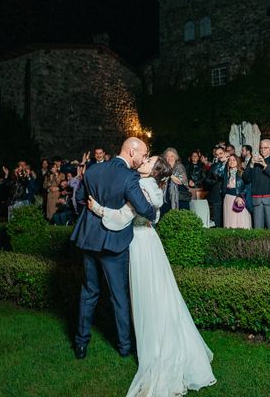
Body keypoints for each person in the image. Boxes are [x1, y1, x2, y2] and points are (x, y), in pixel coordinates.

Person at [87, 156, 216, 396]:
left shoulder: (143, 187)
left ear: (154, 171)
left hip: (140, 244)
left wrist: (98, 209)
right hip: (151, 241)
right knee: (160, 295)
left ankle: (154, 346)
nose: (144, 160)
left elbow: (123, 217)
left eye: (149, 160)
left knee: (147, 296)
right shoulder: (153, 186)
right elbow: (154, 217)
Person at [70, 137, 157, 360]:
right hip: (114, 243)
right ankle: (124, 347)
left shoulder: (92, 171)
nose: (143, 159)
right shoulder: (129, 177)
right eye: (142, 154)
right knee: (119, 296)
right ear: (131, 151)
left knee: (89, 292)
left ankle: (81, 344)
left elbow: (80, 198)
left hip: (89, 239)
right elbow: (145, 209)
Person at [242, 139, 270, 229]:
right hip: (256, 199)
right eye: (261, 147)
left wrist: (265, 165)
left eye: (265, 148)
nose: (262, 150)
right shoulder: (253, 162)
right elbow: (246, 178)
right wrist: (251, 164)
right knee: (257, 229)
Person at [222, 154, 252, 228]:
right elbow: (216, 174)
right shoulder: (226, 173)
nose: (231, 161)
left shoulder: (242, 172)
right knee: (230, 221)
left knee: (241, 221)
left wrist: (240, 196)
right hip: (228, 199)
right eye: (230, 160)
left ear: (237, 161)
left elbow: (247, 187)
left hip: (239, 198)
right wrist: (222, 162)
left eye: (234, 160)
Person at [161, 147, 190, 214]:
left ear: (175, 157)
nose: (169, 158)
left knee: (179, 215)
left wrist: (169, 174)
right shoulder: (163, 167)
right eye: (167, 156)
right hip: (166, 195)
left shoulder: (179, 167)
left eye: (172, 156)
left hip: (178, 196)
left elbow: (180, 181)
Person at [205, 146, 227, 227]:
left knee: (227, 219)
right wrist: (215, 182)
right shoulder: (214, 166)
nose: (219, 156)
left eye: (221, 153)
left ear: (225, 153)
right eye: (217, 155)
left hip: (228, 195)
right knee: (217, 219)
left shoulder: (230, 162)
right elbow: (206, 180)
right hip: (216, 195)